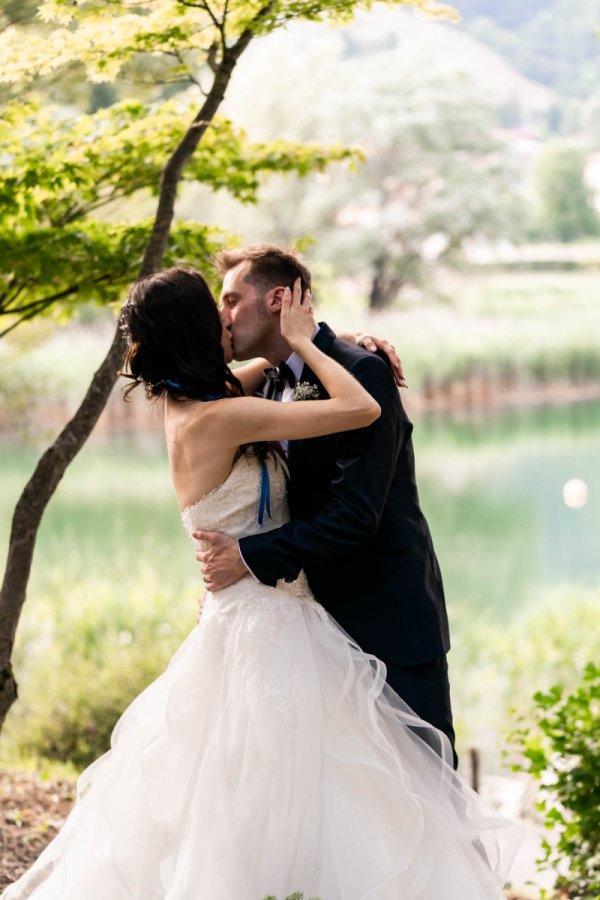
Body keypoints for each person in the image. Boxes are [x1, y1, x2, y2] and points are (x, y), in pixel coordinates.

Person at [1, 266, 520, 899]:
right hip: (264, 623)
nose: (226, 316)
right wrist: (305, 343)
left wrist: (333, 343)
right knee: (282, 797)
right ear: (196, 328)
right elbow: (357, 406)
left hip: (288, 616)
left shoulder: (210, 398)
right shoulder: (218, 418)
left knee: (306, 793)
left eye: (230, 301)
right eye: (214, 307)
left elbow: (296, 381)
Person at [194, 244, 457, 765]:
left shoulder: (362, 371)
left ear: (278, 300)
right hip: (309, 633)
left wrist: (245, 558)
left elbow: (357, 515)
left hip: (386, 623)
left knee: (430, 793)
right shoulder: (266, 384)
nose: (221, 316)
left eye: (230, 300)